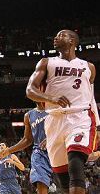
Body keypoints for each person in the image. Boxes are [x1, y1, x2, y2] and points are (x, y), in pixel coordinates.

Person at [26, 30, 99, 194]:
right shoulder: (46, 62)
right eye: (56, 36)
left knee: (75, 161)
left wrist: (98, 128)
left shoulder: (89, 67)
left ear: (72, 41)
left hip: (80, 116)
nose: (55, 38)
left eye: (61, 35)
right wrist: (50, 98)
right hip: (54, 120)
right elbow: (30, 90)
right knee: (63, 180)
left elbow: (90, 97)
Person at [0, 103, 52, 193]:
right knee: (41, 186)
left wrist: (51, 138)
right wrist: (9, 150)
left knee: (65, 186)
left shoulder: (55, 109)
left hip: (56, 148)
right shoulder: (29, 115)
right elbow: (27, 139)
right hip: (40, 153)